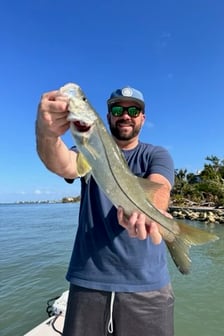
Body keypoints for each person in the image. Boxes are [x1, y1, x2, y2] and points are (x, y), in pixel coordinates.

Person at [36, 85, 175, 336]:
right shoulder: (87, 148)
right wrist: (47, 135)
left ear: (142, 117)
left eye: (134, 110)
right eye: (117, 109)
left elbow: (161, 188)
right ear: (108, 115)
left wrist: (153, 214)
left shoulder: (156, 154)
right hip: (87, 281)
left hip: (147, 286)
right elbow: (64, 164)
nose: (125, 115)